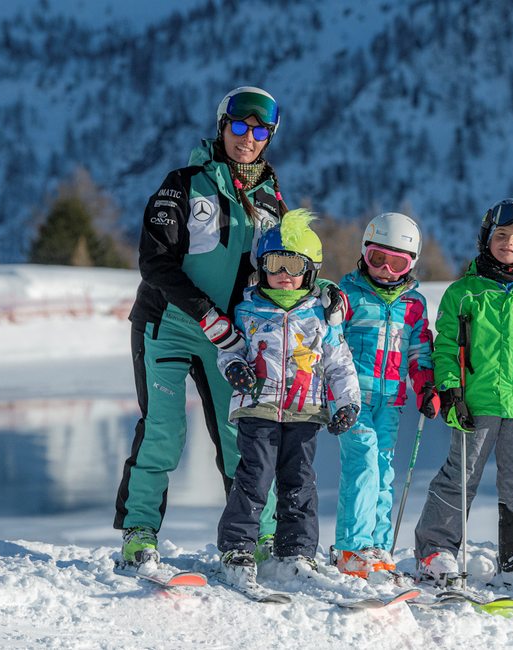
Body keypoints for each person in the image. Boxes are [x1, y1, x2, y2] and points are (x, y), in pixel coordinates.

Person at [115, 86, 344, 571]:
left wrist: (321, 292)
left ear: (270, 137)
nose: (248, 137)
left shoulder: (272, 199)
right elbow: (154, 263)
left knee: (243, 433)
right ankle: (139, 533)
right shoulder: (183, 184)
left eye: (260, 130)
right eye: (239, 126)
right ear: (222, 127)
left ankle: (252, 541)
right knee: (163, 430)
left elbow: (286, 267)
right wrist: (206, 315)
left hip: (235, 336)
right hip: (170, 324)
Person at [412, 199, 513, 596]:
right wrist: (451, 391)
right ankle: (436, 551)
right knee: (460, 477)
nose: (508, 243)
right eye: (501, 235)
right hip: (477, 403)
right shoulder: (464, 293)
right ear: (486, 239)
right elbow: (447, 346)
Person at [215, 211, 361, 587]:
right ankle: (238, 547)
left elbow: (339, 362)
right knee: (254, 475)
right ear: (261, 266)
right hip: (258, 406)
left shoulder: (321, 314)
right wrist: (233, 366)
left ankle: (295, 552)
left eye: (293, 265)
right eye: (275, 263)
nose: (284, 274)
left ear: (309, 270)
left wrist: (346, 403)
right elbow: (229, 349)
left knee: (299, 480)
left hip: (305, 409)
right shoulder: (247, 308)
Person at [332, 212, 439, 580]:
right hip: (352, 399)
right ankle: (351, 547)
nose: (387, 270)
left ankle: (377, 544)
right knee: (362, 463)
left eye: (399, 263)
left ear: (411, 264)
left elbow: (419, 351)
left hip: (390, 401)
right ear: (365, 253)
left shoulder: (414, 305)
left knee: (382, 472)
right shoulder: (346, 296)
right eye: (379, 258)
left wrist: (426, 385)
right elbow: (330, 345)